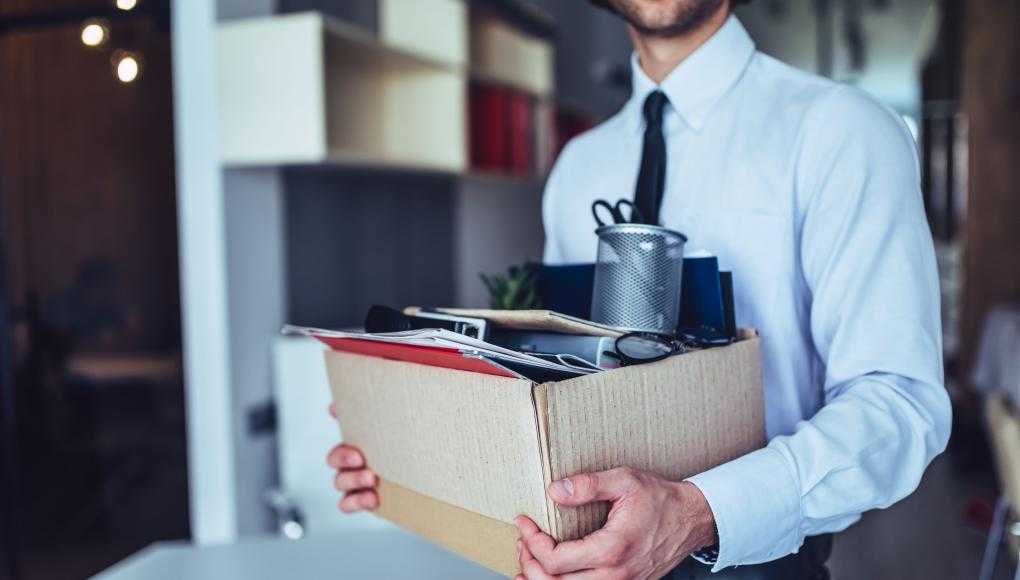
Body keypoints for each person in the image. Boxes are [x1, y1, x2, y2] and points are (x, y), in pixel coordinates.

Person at [326, 0, 952, 578]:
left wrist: (695, 512)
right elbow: (561, 382)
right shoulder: (577, 169)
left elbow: (899, 403)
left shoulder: (842, 131)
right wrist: (412, 444)